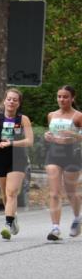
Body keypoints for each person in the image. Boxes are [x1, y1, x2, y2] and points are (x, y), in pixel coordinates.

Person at [0, 88, 34, 240]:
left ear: (19, 103)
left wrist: (12, 143)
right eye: (9, 99)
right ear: (4, 101)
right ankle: (12, 216)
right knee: (5, 193)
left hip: (18, 157)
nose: (11, 102)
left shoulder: (23, 119)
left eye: (15, 100)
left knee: (12, 192)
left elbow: (29, 141)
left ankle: (7, 225)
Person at [42, 85, 82, 240]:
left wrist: (72, 134)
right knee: (54, 193)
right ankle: (55, 228)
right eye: (59, 96)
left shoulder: (78, 116)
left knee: (71, 192)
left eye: (65, 97)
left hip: (72, 155)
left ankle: (77, 218)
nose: (62, 99)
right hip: (54, 154)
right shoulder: (51, 115)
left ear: (72, 98)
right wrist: (47, 135)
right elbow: (50, 133)